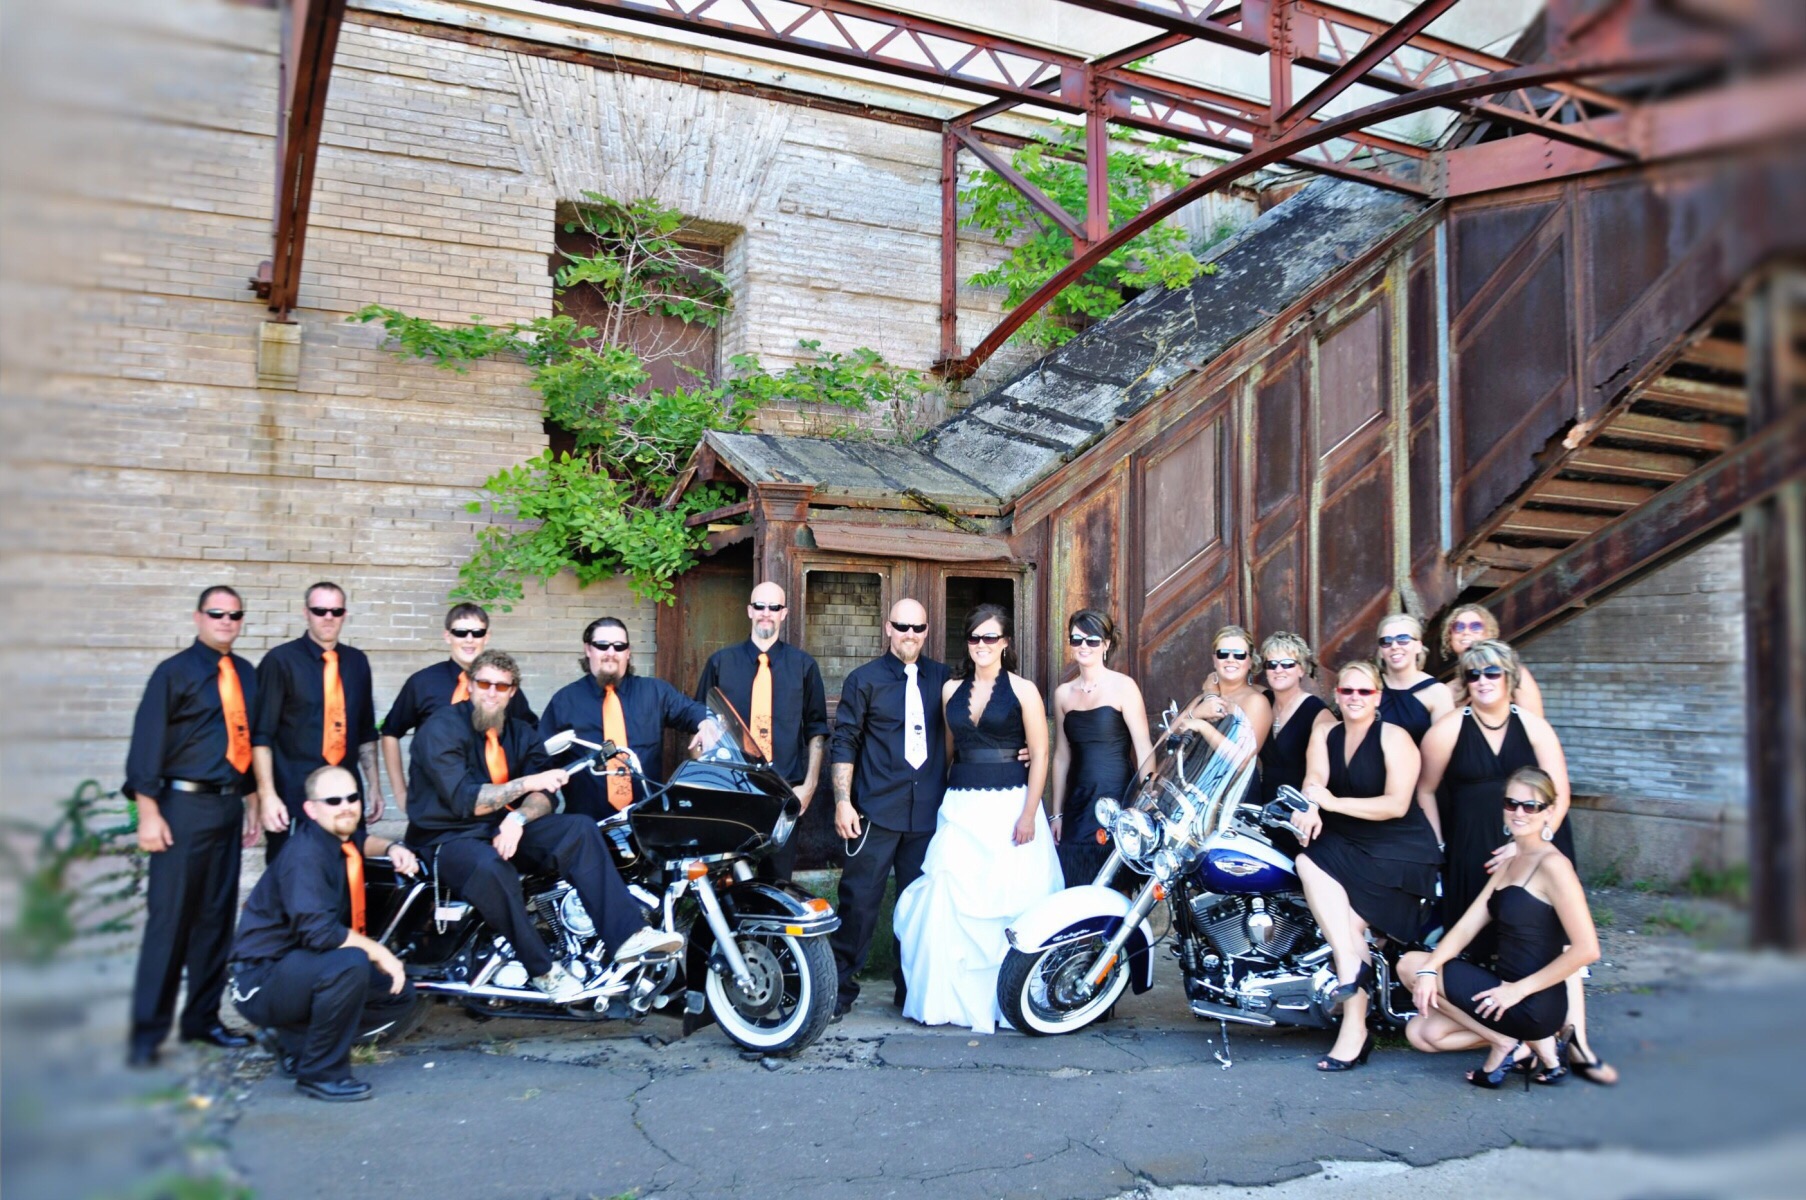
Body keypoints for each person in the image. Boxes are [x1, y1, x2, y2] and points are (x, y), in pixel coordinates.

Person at [406, 650, 680, 1001]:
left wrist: (518, 817)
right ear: (470, 685)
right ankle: (543, 970)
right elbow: (467, 799)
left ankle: (628, 935)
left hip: (500, 828)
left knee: (579, 829)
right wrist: (527, 785)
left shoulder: (521, 733)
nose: (491, 693)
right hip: (446, 836)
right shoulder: (441, 728)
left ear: (512, 692)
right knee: (491, 867)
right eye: (484, 684)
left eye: (501, 686)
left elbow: (547, 796)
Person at [1417, 638, 1616, 1083]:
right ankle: (1516, 1033)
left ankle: (1575, 1040)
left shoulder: (1534, 727)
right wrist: (1439, 844)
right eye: (1473, 674)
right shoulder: (1448, 729)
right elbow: (1426, 789)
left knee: (1554, 943)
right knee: (1482, 941)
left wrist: (1528, 843)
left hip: (1533, 844)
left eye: (1492, 672)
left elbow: (1559, 795)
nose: (1483, 681)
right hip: (1472, 851)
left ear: (1509, 677)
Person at [892, 604, 1062, 1034]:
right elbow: (949, 750)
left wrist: (1029, 813)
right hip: (961, 806)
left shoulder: (1024, 690)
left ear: (1005, 643)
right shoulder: (951, 690)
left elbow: (1041, 754)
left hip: (1010, 806)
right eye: (974, 637)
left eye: (990, 637)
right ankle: (947, 1001)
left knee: (1008, 900)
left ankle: (1007, 1000)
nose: (981, 645)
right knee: (949, 900)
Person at [123, 586, 261, 1067]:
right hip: (180, 809)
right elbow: (146, 744)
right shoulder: (173, 672)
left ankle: (202, 1020)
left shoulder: (245, 673)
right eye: (217, 613)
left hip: (226, 808)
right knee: (171, 920)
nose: (226, 621)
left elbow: (245, 740)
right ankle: (146, 1036)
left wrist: (251, 800)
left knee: (215, 919)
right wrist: (148, 812)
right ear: (198, 617)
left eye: (234, 615)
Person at [1400, 767, 1601, 1088]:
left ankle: (1511, 1044)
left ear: (1549, 812)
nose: (1519, 813)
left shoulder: (1554, 866)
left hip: (1533, 1000)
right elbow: (1466, 928)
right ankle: (1525, 1046)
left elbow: (1587, 949)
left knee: (1408, 963)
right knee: (1422, 1032)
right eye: (1511, 803)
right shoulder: (1511, 861)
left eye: (1531, 806)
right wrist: (1430, 970)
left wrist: (1517, 991)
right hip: (1504, 992)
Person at [229, 765, 421, 1101]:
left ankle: (293, 1040)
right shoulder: (305, 855)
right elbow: (319, 934)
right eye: (333, 801)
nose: (345, 806)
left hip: (296, 969)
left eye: (352, 798)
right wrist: (381, 952)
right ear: (311, 809)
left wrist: (392, 848)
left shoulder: (335, 838)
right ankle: (321, 1074)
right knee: (349, 963)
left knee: (398, 993)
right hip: (258, 979)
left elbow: (362, 841)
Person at [1290, 660, 1440, 1072]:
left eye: (1364, 691)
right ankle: (1351, 974)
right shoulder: (1325, 733)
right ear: (1337, 696)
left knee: (1349, 925)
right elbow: (1314, 780)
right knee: (1305, 859)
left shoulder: (1395, 737)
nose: (1355, 698)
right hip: (1347, 840)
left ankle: (1353, 1025)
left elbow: (1396, 804)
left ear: (1378, 698)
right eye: (1347, 691)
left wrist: (1332, 803)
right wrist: (1310, 805)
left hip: (1398, 848)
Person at [828, 599, 951, 1019]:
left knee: (918, 908)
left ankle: (911, 992)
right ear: (888, 628)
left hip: (927, 814)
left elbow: (973, 722)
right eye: (902, 626)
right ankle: (837, 991)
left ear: (927, 631)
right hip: (875, 812)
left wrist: (1017, 748)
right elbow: (845, 741)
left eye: (917, 628)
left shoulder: (943, 679)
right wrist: (842, 802)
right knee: (859, 904)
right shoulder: (863, 680)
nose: (909, 635)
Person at [694, 581, 829, 880]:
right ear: (749, 611)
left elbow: (817, 730)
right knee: (726, 881)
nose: (766, 613)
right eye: (760, 606)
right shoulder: (720, 663)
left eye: (774, 607)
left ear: (784, 613)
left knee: (776, 882)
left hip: (782, 791)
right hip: (731, 791)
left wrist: (808, 786)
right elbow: (701, 727)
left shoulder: (804, 666)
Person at [253, 582, 382, 863]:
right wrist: (267, 796)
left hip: (346, 798)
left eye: (336, 611)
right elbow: (261, 735)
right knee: (293, 874)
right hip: (294, 797)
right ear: (306, 613)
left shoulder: (357, 662)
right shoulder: (280, 661)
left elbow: (365, 732)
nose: (328, 617)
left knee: (347, 872)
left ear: (344, 614)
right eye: (320, 610)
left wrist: (374, 786)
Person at [539, 617, 709, 819]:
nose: (611, 653)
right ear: (588, 649)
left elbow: (692, 712)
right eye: (602, 645)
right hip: (589, 826)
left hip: (646, 822)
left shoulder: (655, 692)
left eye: (619, 646)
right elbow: (541, 763)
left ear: (628, 653)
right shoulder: (564, 701)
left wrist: (706, 723)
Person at [380, 603, 536, 813]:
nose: (469, 639)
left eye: (477, 632)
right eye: (461, 632)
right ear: (448, 636)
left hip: (492, 808)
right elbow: (390, 733)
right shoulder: (423, 683)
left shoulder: (501, 689)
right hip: (436, 807)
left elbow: (529, 738)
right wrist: (400, 794)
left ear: (486, 637)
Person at [1048, 608, 1153, 887]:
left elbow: (1144, 748)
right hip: (1077, 803)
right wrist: (1056, 813)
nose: (1084, 646)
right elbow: (1061, 756)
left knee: (1117, 886)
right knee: (1075, 884)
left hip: (1117, 798)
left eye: (1092, 640)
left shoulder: (1124, 686)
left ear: (1106, 644)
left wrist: (1145, 804)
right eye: (1076, 639)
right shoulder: (1063, 693)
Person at [1256, 631, 1335, 859]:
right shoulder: (1263, 700)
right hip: (1267, 807)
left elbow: (1329, 770)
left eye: (1287, 664)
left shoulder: (1317, 712)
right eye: (1272, 664)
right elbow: (1234, 689)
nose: (1278, 670)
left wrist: (1310, 805)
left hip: (1301, 811)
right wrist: (1211, 686)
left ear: (1301, 669)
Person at [1178, 624, 1275, 758]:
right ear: (1214, 660)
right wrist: (1196, 713)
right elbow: (1167, 739)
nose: (1230, 659)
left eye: (1239, 655)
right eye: (1223, 654)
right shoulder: (1202, 698)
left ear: (1250, 661)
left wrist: (1203, 726)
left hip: (1231, 773)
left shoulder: (1256, 701)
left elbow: (1243, 759)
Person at [1440, 603, 1544, 715]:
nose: (1466, 632)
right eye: (1459, 627)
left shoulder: (1514, 673)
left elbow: (1535, 718)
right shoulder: (1447, 690)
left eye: (1476, 627)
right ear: (1449, 636)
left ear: (1488, 633)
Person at [1375, 612, 1453, 744]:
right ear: (1380, 651)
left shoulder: (1438, 692)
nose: (1394, 646)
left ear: (1418, 646)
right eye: (1386, 641)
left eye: (1403, 639)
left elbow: (1446, 746)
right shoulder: (1369, 686)